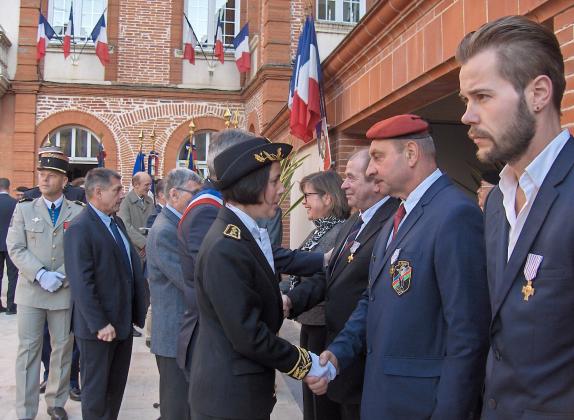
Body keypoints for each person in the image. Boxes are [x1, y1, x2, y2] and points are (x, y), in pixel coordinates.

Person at [309, 114, 490, 420]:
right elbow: (372, 299)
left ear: (410, 153)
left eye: (378, 157)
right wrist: (338, 354)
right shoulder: (399, 214)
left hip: (422, 405)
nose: (370, 169)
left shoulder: (454, 215)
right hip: (383, 397)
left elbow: (468, 331)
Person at [457, 15, 574, 418]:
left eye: (483, 97)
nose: (467, 116)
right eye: (465, 101)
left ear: (538, 93)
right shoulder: (495, 203)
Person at [189, 132, 336, 420]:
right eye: (274, 181)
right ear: (250, 186)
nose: (281, 189)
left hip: (243, 392)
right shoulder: (226, 246)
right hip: (228, 401)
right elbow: (248, 335)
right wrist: (306, 364)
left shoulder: (242, 233)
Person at [284, 149, 399, 420]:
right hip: (338, 350)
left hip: (361, 357)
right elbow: (329, 274)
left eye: (350, 177)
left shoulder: (393, 223)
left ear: (376, 181)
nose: (343, 185)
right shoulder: (355, 222)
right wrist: (293, 300)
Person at [64, 168, 149, 420]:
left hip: (121, 323)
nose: (122, 195)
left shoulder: (116, 221)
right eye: (117, 190)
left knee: (114, 391)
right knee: (96, 394)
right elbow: (81, 282)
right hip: (99, 329)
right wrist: (100, 322)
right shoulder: (81, 227)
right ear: (98, 192)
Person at [7, 146, 85, 420]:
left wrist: (61, 275)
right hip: (31, 291)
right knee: (28, 351)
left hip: (63, 292)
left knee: (63, 350)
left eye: (51, 175)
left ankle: (56, 402)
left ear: (64, 181)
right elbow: (15, 247)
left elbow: (81, 250)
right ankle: (26, 409)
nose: (44, 179)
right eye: (41, 173)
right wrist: (40, 273)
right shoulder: (24, 209)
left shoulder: (77, 212)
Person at [287, 170, 349, 420]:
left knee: (322, 400)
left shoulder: (341, 231)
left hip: (324, 325)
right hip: (310, 322)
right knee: (310, 396)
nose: (304, 202)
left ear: (328, 198)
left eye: (308, 196)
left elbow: (324, 279)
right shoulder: (320, 231)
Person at [147, 168, 202, 420]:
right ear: (173, 194)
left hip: (183, 331)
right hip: (173, 333)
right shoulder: (165, 230)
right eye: (195, 193)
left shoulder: (176, 223)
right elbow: (187, 279)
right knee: (176, 405)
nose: (199, 199)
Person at [118, 171, 154, 257]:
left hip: (150, 248)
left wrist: (150, 243)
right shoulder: (125, 201)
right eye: (146, 185)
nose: (149, 188)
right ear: (136, 185)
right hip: (134, 249)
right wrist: (144, 243)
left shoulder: (150, 200)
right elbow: (125, 226)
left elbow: (153, 223)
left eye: (150, 185)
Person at [0, 177, 18, 314]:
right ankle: (11, 306)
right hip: (11, 244)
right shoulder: (16, 203)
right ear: (9, 187)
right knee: (13, 275)